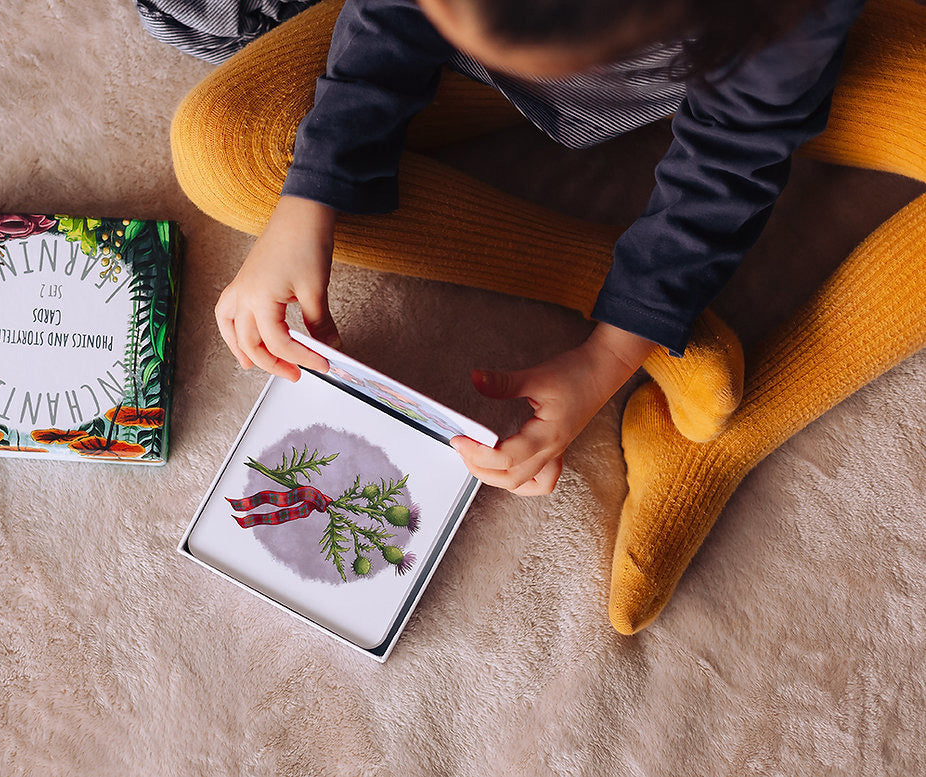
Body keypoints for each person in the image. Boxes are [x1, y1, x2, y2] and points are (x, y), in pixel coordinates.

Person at [170, 0, 926, 632]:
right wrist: (310, 198)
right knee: (222, 145)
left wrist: (608, 356)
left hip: (771, 58)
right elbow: (393, 16)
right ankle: (628, 298)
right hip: (476, 57)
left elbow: (733, 154)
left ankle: (723, 431)